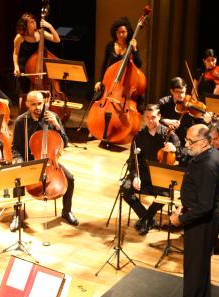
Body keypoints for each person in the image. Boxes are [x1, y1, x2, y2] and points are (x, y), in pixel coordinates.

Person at [162, 124, 219, 297]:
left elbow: (205, 206)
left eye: (191, 141)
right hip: (201, 218)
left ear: (205, 142)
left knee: (193, 268)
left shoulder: (207, 165)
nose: (187, 145)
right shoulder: (210, 155)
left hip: (201, 223)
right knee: (201, 265)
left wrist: (180, 219)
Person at [12, 91, 79, 226]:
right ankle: (17, 215)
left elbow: (64, 142)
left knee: (70, 178)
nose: (37, 107)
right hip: (29, 161)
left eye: (40, 104)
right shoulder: (21, 121)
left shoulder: (52, 117)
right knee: (17, 180)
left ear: (44, 103)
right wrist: (18, 162)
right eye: (33, 104)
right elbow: (15, 148)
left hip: (50, 161)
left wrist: (57, 125)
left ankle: (67, 211)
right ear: (27, 105)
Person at [122, 104, 181, 235]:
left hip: (161, 176)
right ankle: (147, 218)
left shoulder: (169, 134)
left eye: (153, 117)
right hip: (142, 174)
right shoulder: (139, 136)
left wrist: (175, 148)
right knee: (125, 190)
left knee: (165, 195)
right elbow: (133, 160)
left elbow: (181, 152)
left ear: (159, 117)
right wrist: (135, 176)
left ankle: (146, 219)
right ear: (143, 118)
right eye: (147, 117)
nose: (150, 120)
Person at [13, 13, 60, 111]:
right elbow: (15, 54)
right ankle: (23, 114)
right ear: (25, 25)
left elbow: (57, 39)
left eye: (34, 21)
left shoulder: (40, 32)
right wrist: (16, 67)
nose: (34, 23)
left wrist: (49, 26)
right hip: (25, 67)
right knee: (23, 93)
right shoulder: (20, 37)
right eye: (31, 22)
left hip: (39, 67)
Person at [94, 17, 142, 93]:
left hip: (124, 84)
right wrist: (99, 81)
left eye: (123, 32)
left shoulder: (131, 45)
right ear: (115, 32)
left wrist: (135, 49)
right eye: (118, 32)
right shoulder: (110, 45)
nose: (121, 34)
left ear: (128, 32)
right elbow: (104, 64)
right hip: (110, 82)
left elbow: (139, 65)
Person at [158, 77, 210, 148]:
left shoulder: (190, 103)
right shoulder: (164, 102)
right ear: (172, 91)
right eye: (177, 92)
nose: (181, 95)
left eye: (182, 92)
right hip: (167, 139)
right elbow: (153, 117)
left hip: (185, 142)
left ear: (185, 90)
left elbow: (200, 123)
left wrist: (206, 121)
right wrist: (165, 120)